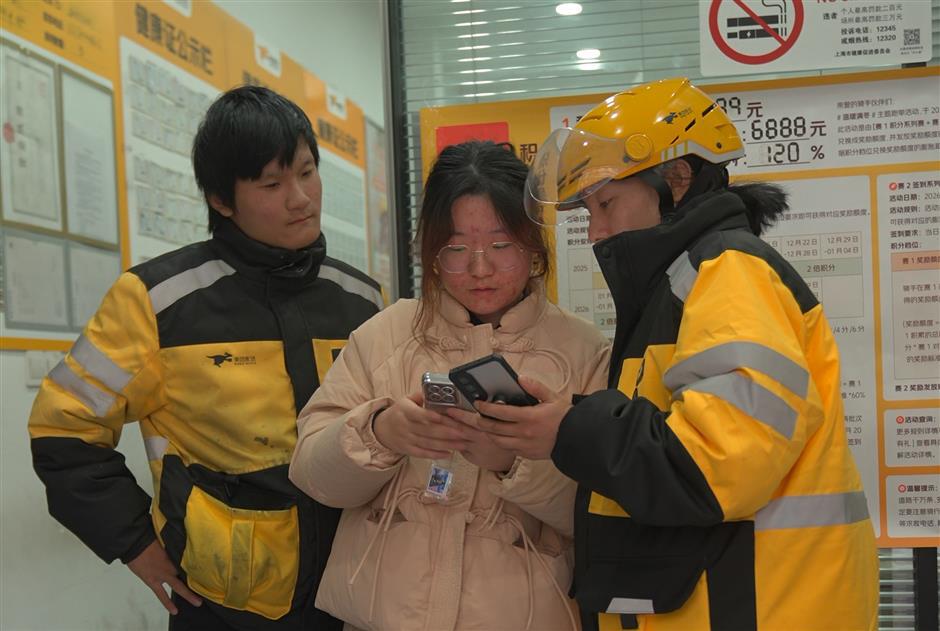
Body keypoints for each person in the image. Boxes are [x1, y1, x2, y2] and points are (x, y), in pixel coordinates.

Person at [458, 78, 879, 631]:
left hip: (757, 607)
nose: (597, 232)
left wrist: (571, 430)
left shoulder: (728, 273)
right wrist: (569, 418)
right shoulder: (685, 281)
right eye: (587, 212)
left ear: (676, 181)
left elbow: (716, 465)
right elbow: (679, 435)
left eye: (605, 203)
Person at [28, 85, 383, 630]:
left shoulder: (362, 300)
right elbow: (62, 431)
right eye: (272, 183)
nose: (301, 198)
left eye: (308, 172)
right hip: (227, 602)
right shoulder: (157, 301)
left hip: (356, 590)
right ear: (221, 199)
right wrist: (134, 542)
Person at [288, 140, 610, 631]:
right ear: (432, 251)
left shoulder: (586, 352)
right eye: (456, 249)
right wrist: (381, 432)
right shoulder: (385, 334)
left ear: (534, 241)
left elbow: (604, 513)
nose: (479, 268)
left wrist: (513, 460)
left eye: (501, 245)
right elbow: (313, 476)